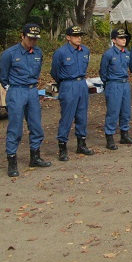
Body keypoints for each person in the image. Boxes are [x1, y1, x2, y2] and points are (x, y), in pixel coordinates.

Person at [0, 23, 51, 177]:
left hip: (32, 91)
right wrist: (12, 91)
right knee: (15, 128)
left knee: (36, 125)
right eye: (30, 38)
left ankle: (35, 157)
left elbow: (38, 70)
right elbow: (3, 76)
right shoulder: (10, 54)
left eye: (35, 39)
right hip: (17, 91)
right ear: (22, 36)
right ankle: (12, 162)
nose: (32, 41)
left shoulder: (38, 52)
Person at [51, 25, 93, 161]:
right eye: (75, 36)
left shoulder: (85, 50)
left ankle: (81, 144)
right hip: (68, 84)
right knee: (67, 117)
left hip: (81, 83)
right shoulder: (61, 52)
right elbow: (55, 72)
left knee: (82, 115)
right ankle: (62, 147)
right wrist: (63, 83)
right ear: (68, 37)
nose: (79, 38)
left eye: (80, 35)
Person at [99, 28, 132, 150]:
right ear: (114, 40)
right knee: (113, 112)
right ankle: (109, 138)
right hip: (113, 84)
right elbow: (103, 72)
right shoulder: (109, 54)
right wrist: (109, 84)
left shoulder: (127, 53)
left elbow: (131, 67)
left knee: (126, 111)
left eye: (125, 38)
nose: (123, 40)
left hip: (125, 84)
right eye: (121, 38)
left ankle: (124, 135)